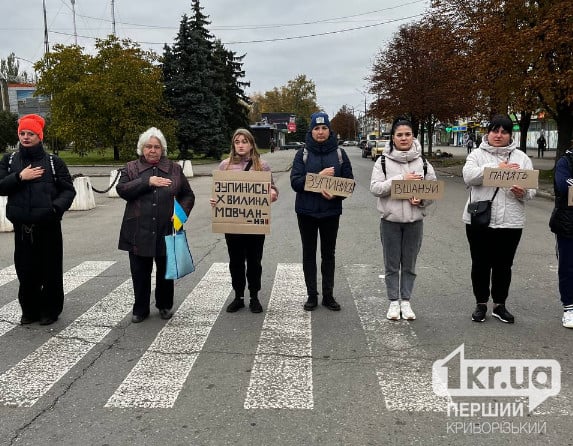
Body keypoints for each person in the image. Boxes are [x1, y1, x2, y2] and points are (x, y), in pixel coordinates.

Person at [0, 114, 76, 325]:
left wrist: (54, 209)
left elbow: (68, 191)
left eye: (30, 133)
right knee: (25, 270)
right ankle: (29, 310)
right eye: (22, 133)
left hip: (48, 226)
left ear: (39, 136)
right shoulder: (10, 160)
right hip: (22, 226)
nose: (25, 137)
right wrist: (19, 177)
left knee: (50, 270)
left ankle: (50, 310)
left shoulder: (53, 162)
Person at [117, 127, 195, 323]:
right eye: (148, 146)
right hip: (137, 229)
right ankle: (140, 309)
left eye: (156, 147)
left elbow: (187, 194)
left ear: (162, 149)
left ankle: (164, 305)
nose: (152, 150)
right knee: (140, 272)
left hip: (167, 228)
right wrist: (147, 181)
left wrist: (181, 214)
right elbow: (122, 189)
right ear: (142, 148)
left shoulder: (174, 169)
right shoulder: (131, 168)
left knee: (165, 271)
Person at [462, 114, 535, 324]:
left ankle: (499, 305)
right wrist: (497, 170)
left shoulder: (522, 158)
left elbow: (531, 190)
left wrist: (523, 193)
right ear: (488, 132)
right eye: (495, 130)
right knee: (480, 264)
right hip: (479, 220)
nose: (498, 135)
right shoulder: (476, 155)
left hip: (510, 222)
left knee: (504, 265)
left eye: (504, 132)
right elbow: (469, 176)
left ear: (510, 135)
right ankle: (481, 303)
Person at [369, 118, 437, 320]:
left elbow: (432, 191)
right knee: (391, 264)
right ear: (393, 138)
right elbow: (376, 188)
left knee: (409, 264)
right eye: (399, 135)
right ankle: (392, 302)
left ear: (413, 136)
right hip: (390, 222)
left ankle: (406, 301)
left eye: (407, 134)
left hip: (414, 222)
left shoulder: (423, 163)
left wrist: (422, 200)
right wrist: (400, 179)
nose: (404, 138)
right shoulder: (382, 161)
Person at [210, 128, 278, 313]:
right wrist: (215, 200)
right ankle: (238, 296)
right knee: (236, 261)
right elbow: (220, 192)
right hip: (232, 224)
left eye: (244, 141)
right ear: (233, 144)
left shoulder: (261, 165)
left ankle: (254, 296)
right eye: (237, 141)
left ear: (251, 144)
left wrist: (272, 193)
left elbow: (273, 189)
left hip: (255, 223)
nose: (240, 145)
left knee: (255, 261)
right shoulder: (225, 165)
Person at [290, 111, 354, 311]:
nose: (320, 132)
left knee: (329, 254)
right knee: (309, 253)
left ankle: (328, 295)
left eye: (324, 128)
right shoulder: (302, 154)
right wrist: (318, 178)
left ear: (329, 130)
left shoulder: (339, 154)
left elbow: (349, 183)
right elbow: (295, 182)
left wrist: (336, 195)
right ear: (311, 131)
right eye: (316, 128)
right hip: (306, 212)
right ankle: (312, 295)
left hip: (330, 212)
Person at [549, 146, 573, 328]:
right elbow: (565, 186)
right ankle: (569, 307)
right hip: (568, 223)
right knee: (568, 266)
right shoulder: (566, 162)